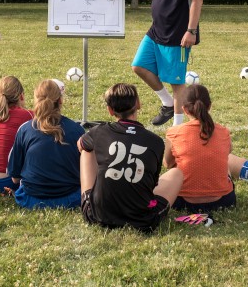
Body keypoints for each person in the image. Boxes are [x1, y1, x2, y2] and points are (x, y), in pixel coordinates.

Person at [103, 0, 203, 126]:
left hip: (178, 35)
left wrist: (190, 31)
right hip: (156, 31)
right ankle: (166, 103)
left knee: (177, 84)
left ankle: (177, 128)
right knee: (138, 66)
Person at [78, 83, 183, 231]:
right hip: (142, 220)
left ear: (110, 110)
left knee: (86, 149)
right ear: (138, 104)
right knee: (177, 173)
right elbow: (152, 183)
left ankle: (93, 198)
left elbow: (80, 144)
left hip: (97, 215)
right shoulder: (156, 141)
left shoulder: (98, 132)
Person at [7, 79, 85, 209]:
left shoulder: (25, 129)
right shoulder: (77, 130)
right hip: (71, 198)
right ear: (60, 100)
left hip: (31, 199)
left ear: (36, 100)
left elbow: (15, 178)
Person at [164, 84, 236, 213]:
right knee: (226, 163)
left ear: (184, 109)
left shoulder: (174, 132)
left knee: (173, 172)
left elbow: (168, 164)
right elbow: (228, 151)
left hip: (182, 201)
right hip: (223, 201)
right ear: (209, 106)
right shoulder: (223, 131)